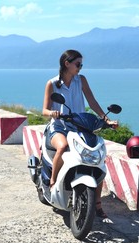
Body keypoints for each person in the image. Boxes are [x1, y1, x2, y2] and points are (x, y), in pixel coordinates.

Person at [42, 49, 118, 218]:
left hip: (79, 127)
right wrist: (53, 113)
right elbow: (44, 110)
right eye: (78, 64)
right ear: (66, 63)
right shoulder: (52, 84)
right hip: (59, 126)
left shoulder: (81, 80)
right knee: (62, 147)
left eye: (82, 64)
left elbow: (92, 101)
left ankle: (97, 203)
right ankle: (53, 183)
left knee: (96, 160)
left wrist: (106, 120)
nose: (80, 67)